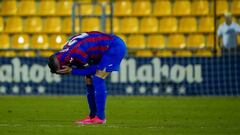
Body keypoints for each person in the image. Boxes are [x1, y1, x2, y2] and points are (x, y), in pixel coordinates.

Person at [48, 31, 127, 124]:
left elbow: (93, 69)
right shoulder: (66, 52)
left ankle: (101, 117)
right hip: (100, 50)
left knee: (98, 77)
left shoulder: (76, 53)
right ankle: (92, 116)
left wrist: (72, 71)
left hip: (113, 46)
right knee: (89, 80)